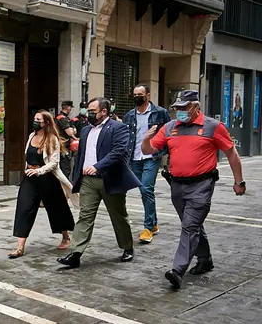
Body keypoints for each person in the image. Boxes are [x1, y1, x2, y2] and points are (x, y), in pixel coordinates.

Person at [141, 90, 245, 290]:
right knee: (193, 225)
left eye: (183, 108)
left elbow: (231, 153)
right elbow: (148, 150)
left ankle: (177, 270)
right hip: (177, 186)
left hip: (202, 185)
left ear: (196, 106)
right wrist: (146, 139)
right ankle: (205, 259)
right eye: (176, 108)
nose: (179, 112)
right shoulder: (170, 127)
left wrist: (239, 182)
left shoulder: (213, 127)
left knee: (189, 227)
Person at [57, 97, 141, 269]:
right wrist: (77, 177)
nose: (89, 114)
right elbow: (80, 154)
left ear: (104, 112)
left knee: (118, 216)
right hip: (88, 181)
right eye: (88, 111)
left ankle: (127, 247)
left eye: (93, 111)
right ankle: (75, 254)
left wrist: (97, 166)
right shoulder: (86, 130)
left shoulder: (118, 128)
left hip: (110, 180)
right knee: (85, 216)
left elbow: (118, 152)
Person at [9, 110, 75, 258]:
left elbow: (54, 162)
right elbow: (28, 157)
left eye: (38, 119)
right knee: (24, 209)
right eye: (34, 119)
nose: (35, 121)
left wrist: (39, 171)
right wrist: (29, 171)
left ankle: (65, 237)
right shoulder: (32, 136)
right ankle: (20, 247)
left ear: (46, 122)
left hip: (48, 178)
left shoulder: (52, 139)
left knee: (57, 209)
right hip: (30, 179)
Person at [123, 84, 171, 243]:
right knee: (144, 190)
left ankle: (148, 228)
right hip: (135, 158)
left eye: (140, 94)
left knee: (146, 189)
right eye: (135, 94)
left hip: (152, 156)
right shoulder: (129, 115)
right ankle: (154, 223)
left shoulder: (160, 113)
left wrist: (168, 155)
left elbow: (169, 133)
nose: (137, 96)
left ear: (148, 95)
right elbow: (126, 137)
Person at [55, 100, 78, 179]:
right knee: (65, 169)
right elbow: (70, 132)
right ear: (68, 107)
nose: (70, 110)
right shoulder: (62, 119)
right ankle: (64, 189)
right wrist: (73, 131)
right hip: (63, 147)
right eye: (70, 108)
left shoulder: (63, 118)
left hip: (62, 146)